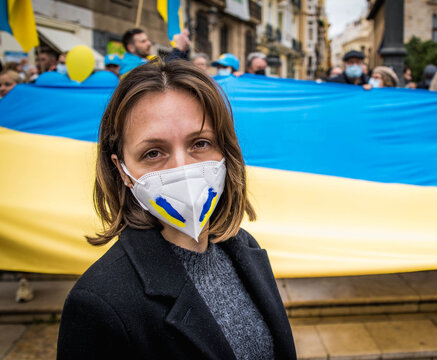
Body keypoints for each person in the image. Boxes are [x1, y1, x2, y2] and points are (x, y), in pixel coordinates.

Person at [56, 59, 296, 360]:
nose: (183, 168)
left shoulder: (245, 247)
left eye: (200, 143)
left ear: (225, 149)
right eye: (153, 153)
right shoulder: (98, 303)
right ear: (122, 170)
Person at [119, 28, 191, 76]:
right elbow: (164, 74)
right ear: (131, 47)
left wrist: (183, 51)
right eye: (143, 41)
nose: (149, 43)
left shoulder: (144, 62)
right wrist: (178, 49)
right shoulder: (131, 67)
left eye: (148, 40)